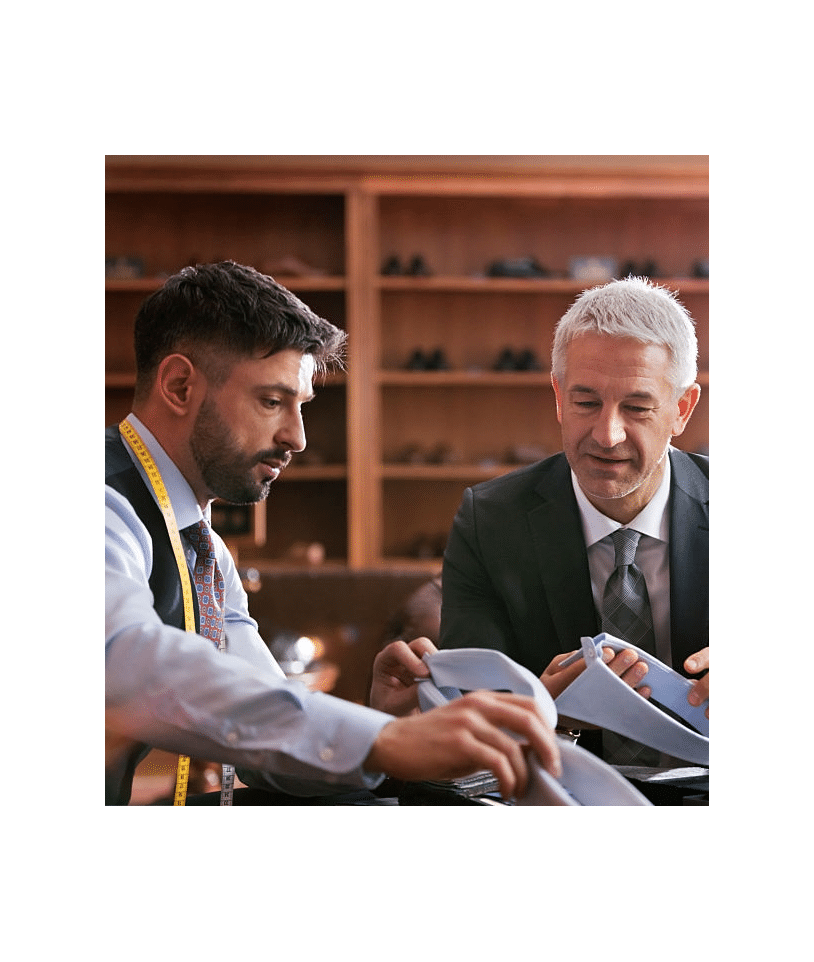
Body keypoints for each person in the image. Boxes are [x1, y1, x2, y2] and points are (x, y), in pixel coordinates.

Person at [105, 261, 561, 805]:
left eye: (300, 407)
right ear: (179, 385)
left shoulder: (201, 546)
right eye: (272, 401)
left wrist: (386, 730)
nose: (296, 437)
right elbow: (121, 659)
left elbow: (262, 728)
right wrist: (382, 741)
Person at [438, 277, 709, 759]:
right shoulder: (489, 522)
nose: (607, 435)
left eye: (638, 407)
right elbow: (468, 711)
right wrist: (544, 713)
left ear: (682, 409)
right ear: (559, 397)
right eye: (586, 403)